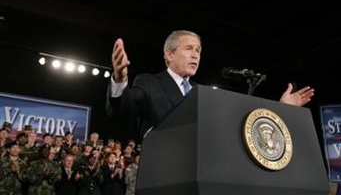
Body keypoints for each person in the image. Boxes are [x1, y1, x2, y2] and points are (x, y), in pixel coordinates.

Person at [106, 30, 314, 142]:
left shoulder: (202, 92)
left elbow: (237, 123)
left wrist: (280, 108)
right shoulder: (149, 82)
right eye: (189, 48)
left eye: (198, 50)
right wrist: (119, 78)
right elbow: (122, 110)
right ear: (169, 54)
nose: (196, 54)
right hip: (163, 176)